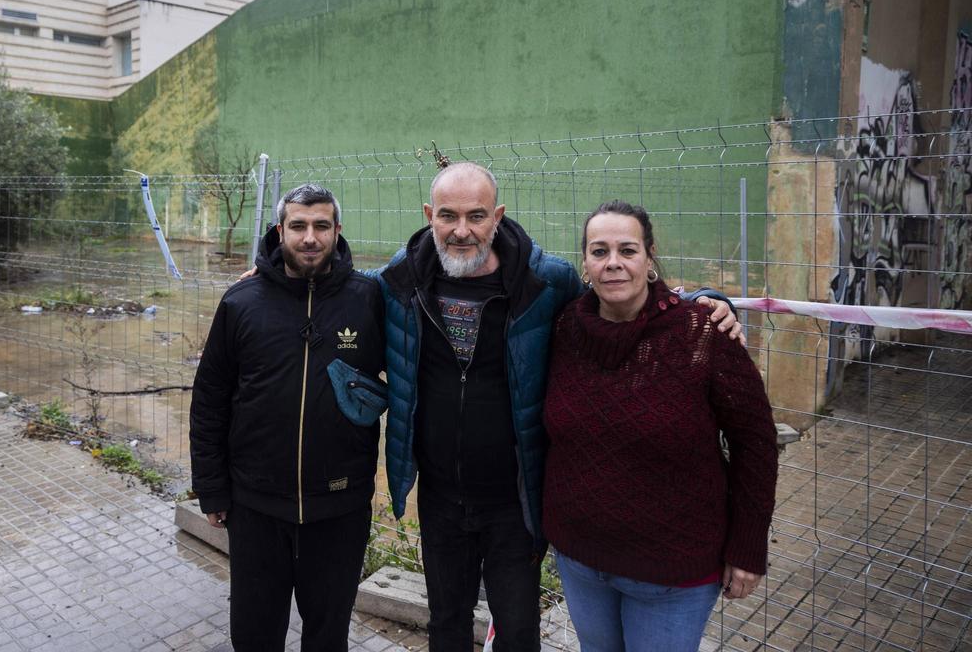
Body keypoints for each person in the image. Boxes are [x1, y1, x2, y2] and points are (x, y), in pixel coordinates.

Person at [375, 163, 742, 651]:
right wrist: (273, 272)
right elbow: (334, 284)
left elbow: (620, 304)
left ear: (498, 216)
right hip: (440, 497)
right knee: (445, 624)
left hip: (516, 500)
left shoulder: (546, 281)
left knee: (518, 629)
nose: (462, 230)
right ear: (429, 215)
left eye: (476, 215)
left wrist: (704, 300)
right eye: (448, 216)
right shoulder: (400, 280)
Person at [542, 200, 778, 652]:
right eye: (599, 251)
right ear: (585, 265)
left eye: (627, 250)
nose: (613, 263)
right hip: (580, 558)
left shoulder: (703, 333)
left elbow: (757, 443)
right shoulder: (565, 329)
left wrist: (748, 548)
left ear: (650, 257)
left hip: (672, 572)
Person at [189, 183, 386, 652]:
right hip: (256, 506)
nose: (310, 238)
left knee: (328, 635)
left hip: (339, 506)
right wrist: (212, 487)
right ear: (280, 231)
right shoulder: (242, 302)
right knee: (255, 634)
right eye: (298, 226)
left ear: (338, 231)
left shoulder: (368, 299)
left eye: (322, 225)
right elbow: (210, 399)